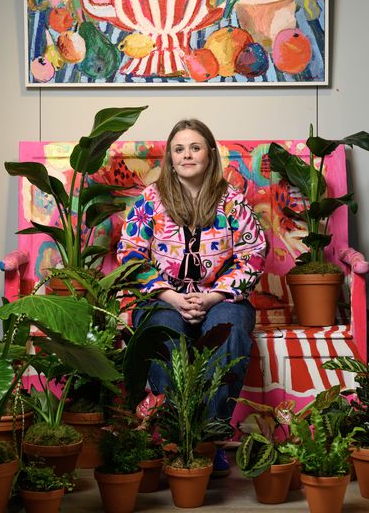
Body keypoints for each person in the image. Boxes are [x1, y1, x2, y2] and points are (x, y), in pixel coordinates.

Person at [117, 119, 266, 476]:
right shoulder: (150, 200)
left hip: (221, 297)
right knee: (161, 333)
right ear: (169, 157)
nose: (187, 155)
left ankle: (207, 439)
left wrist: (214, 297)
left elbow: (254, 254)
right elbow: (131, 254)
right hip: (161, 299)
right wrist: (170, 296)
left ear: (210, 154)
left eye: (195, 147)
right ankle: (176, 436)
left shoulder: (231, 200)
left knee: (229, 331)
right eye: (179, 149)